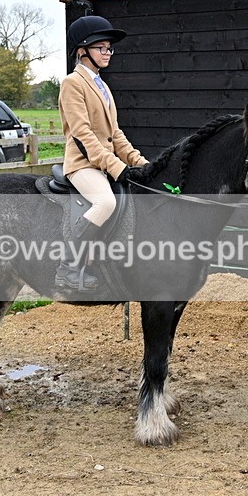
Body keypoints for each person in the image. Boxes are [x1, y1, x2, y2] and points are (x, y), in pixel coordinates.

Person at [55, 15, 149, 291]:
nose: (108, 53)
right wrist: (116, 167)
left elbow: (115, 134)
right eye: (102, 48)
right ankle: (68, 268)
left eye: (109, 48)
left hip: (102, 163)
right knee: (105, 203)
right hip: (82, 165)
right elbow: (83, 135)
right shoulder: (72, 83)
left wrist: (142, 164)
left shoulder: (102, 86)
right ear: (83, 50)